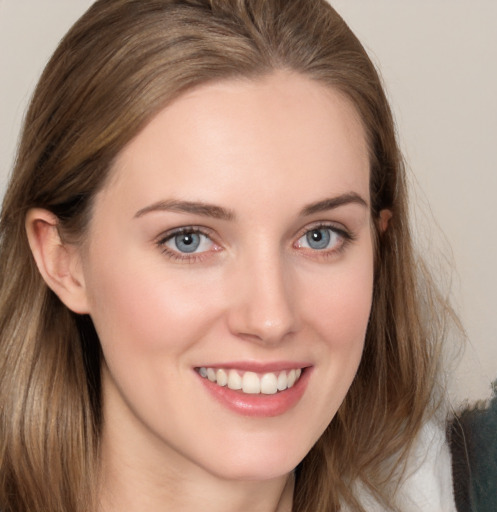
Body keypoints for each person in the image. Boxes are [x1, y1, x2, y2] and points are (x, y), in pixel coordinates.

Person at [0, 1, 460, 510]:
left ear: (378, 243)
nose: (270, 318)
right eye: (189, 239)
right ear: (64, 260)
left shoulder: (465, 485)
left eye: (320, 236)